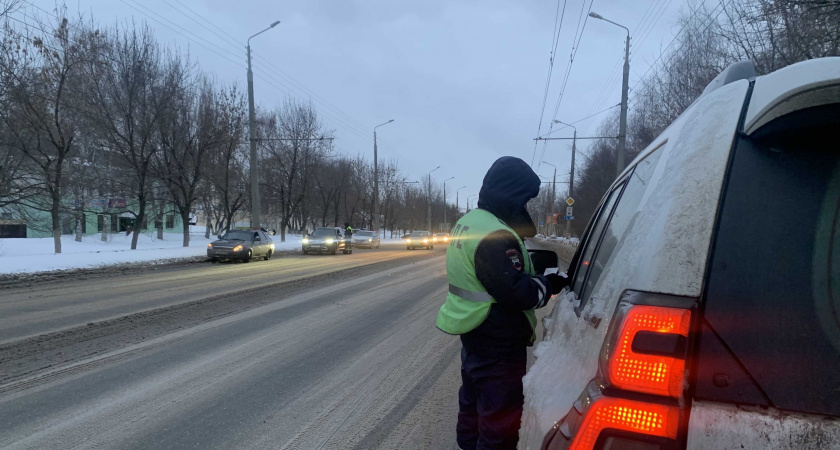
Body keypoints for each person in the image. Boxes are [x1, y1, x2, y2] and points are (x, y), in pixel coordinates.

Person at [436, 156, 569, 450]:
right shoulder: (495, 234)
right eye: (524, 197)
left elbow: (494, 274)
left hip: (475, 332)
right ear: (512, 194)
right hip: (498, 339)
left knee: (473, 400)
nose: (525, 206)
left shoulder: (470, 222)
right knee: (500, 417)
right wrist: (550, 284)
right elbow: (517, 292)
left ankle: (468, 444)